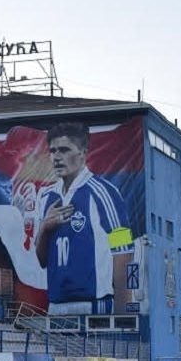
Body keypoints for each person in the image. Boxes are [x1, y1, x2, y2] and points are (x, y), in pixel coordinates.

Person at [35, 122, 133, 315]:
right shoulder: (46, 197)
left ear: (82, 153)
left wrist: (124, 315)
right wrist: (45, 228)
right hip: (56, 305)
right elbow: (42, 261)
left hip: (95, 305)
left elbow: (123, 252)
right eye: (53, 151)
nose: (57, 157)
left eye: (64, 150)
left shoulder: (105, 193)